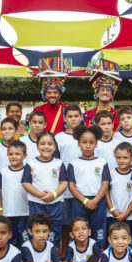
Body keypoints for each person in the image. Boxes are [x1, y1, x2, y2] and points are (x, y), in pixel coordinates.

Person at [67, 125, 111, 248]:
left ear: (96, 144)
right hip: (79, 201)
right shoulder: (73, 163)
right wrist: (85, 200)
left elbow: (105, 184)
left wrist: (95, 200)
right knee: (79, 229)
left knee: (98, 230)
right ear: (78, 144)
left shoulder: (102, 163)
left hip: (98, 201)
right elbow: (71, 185)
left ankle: (98, 258)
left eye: (91, 142)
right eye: (84, 142)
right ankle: (78, 258)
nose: (87, 146)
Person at [21, 132, 69, 245]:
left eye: (50, 144)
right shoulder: (31, 163)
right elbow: (26, 183)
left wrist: (54, 194)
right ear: (37, 146)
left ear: (55, 147)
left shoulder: (59, 163)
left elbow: (64, 183)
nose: (46, 147)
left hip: (56, 204)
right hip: (37, 203)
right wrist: (41, 195)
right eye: (42, 144)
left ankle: (53, 260)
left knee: (54, 236)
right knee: (37, 233)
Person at [55, 105, 83, 252]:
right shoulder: (59, 137)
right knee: (65, 224)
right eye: (70, 116)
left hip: (82, 188)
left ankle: (79, 253)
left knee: (80, 224)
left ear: (81, 117)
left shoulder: (85, 136)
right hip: (65, 189)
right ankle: (65, 252)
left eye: (76, 116)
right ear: (65, 119)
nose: (73, 119)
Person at [0, 140, 31, 247]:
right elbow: (0, 193)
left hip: (24, 213)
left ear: (24, 155)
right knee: (11, 241)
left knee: (24, 241)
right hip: (8, 213)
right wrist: (0, 210)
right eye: (11, 154)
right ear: (7, 155)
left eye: (17, 154)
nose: (14, 156)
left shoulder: (28, 171)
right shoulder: (3, 172)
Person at [105, 142, 132, 235]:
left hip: (129, 216)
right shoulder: (110, 173)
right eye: (119, 157)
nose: (122, 160)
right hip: (112, 215)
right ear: (115, 157)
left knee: (128, 240)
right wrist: (112, 210)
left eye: (125, 158)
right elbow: (106, 192)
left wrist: (127, 213)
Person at [83, 59, 121, 129]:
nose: (105, 93)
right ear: (97, 94)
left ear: (112, 95)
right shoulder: (87, 115)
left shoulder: (118, 116)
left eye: (108, 90)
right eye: (102, 90)